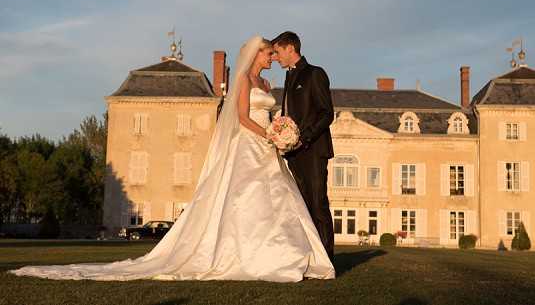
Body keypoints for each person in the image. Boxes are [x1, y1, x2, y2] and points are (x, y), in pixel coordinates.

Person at [9, 36, 335, 282]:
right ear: (257, 54)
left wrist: (279, 131)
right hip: (251, 144)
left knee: (279, 200)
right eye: (268, 52)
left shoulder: (266, 82)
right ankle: (250, 254)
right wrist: (267, 134)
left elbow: (276, 113)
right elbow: (241, 117)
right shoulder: (244, 82)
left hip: (268, 147)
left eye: (273, 52)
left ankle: (286, 253)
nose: (272, 57)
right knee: (247, 199)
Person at [271, 31, 335, 260]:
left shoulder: (315, 74)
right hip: (294, 153)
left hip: (314, 149)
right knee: (304, 206)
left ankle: (326, 260)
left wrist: (303, 138)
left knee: (318, 204)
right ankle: (311, 256)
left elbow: (327, 114)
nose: (275, 57)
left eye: (277, 52)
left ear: (290, 49)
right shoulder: (289, 78)